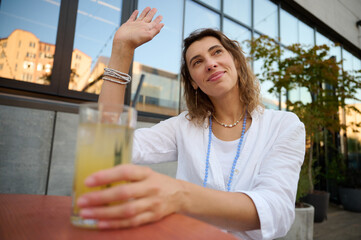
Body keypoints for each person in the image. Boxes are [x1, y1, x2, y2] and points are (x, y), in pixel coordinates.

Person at [76, 7, 306, 240]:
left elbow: (277, 211)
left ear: (236, 60)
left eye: (217, 52)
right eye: (197, 62)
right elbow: (108, 143)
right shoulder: (184, 126)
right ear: (194, 82)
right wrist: (121, 51)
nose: (210, 63)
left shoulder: (284, 126)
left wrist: (179, 196)